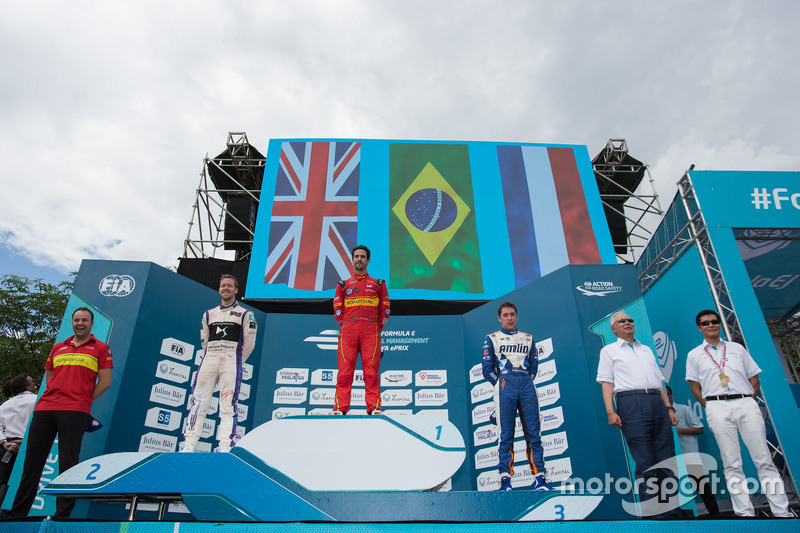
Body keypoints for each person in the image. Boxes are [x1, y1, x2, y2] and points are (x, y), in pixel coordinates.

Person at [3, 307, 112, 519]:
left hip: (75, 411)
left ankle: (62, 514)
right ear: (73, 323)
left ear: (91, 324)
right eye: (77, 320)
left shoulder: (101, 348)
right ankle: (17, 513)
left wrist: (82, 400)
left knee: (67, 463)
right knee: (32, 463)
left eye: (85, 320)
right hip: (45, 409)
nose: (80, 323)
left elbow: (105, 382)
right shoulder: (58, 347)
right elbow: (50, 378)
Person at [685, 309, 792, 517]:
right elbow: (694, 387)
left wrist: (748, 400)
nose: (711, 325)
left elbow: (754, 378)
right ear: (699, 328)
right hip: (716, 407)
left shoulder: (737, 349)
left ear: (720, 324)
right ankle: (744, 512)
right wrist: (710, 406)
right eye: (705, 323)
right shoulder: (694, 355)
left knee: (763, 459)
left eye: (714, 321)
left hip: (745, 403)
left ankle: (782, 511)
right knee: (731, 462)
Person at [596, 311, 679, 517]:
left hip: (656, 402)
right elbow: (607, 382)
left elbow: (659, 382)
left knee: (667, 459)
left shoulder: (647, 350)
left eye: (630, 320)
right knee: (645, 461)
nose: (627, 323)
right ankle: (653, 514)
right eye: (621, 321)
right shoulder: (609, 350)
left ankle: (673, 511)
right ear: (613, 328)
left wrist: (668, 408)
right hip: (631, 403)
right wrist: (610, 411)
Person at [182, 274, 257, 453]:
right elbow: (204, 340)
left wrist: (237, 360)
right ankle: (190, 442)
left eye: (229, 286)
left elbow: (250, 343)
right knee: (199, 401)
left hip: (231, 360)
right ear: (219, 289)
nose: (226, 288)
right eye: (223, 285)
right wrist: (212, 354)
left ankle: (224, 443)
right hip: (210, 358)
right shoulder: (209, 313)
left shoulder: (246, 313)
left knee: (228, 404)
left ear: (236, 290)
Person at [482, 302, 551, 492]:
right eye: (505, 315)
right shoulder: (492, 338)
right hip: (505, 385)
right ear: (499, 318)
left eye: (512, 314)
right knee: (505, 435)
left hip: (526, 384)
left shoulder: (528, 338)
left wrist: (525, 380)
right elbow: (487, 370)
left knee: (534, 433)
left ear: (517, 316)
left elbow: (534, 366)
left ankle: (540, 478)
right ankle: (506, 480)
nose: (509, 318)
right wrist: (500, 384)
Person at [332, 245, 390, 415]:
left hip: (371, 330)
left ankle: (374, 408)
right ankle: (340, 408)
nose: (359, 259)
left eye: (362, 256)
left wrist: (375, 327)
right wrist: (346, 324)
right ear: (352, 260)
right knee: (344, 372)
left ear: (368, 260)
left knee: (371, 371)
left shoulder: (378, 284)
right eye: (356, 256)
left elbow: (386, 309)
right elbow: (337, 308)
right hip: (348, 330)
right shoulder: (343, 284)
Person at [665, 385, 720, 515]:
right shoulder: (659, 415)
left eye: (668, 393)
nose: (666, 396)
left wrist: (677, 431)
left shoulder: (683, 409)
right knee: (674, 490)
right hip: (671, 458)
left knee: (702, 487)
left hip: (689, 455)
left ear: (671, 396)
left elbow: (699, 428)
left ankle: (716, 515)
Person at [0, 375, 37, 490]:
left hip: (7, 446)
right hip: (29, 444)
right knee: (28, 481)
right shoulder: (38, 400)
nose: (34, 384)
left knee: (4, 481)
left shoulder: (4, 405)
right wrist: (25, 442)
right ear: (27, 386)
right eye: (32, 381)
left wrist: (4, 443)